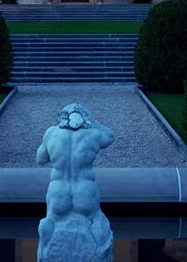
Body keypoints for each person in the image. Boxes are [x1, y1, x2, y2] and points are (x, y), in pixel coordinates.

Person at [37, 103, 114, 260]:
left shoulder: (51, 133)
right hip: (84, 190)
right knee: (95, 221)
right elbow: (110, 136)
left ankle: (46, 249)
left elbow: (41, 159)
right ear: (85, 119)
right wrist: (92, 122)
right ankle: (98, 253)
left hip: (58, 191)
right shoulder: (92, 134)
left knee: (51, 220)